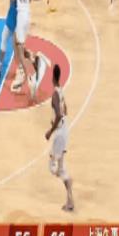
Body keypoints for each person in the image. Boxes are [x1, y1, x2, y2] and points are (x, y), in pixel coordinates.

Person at [10, 0, 40, 98]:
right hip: (27, 13)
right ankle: (33, 58)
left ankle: (29, 78)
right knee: (15, 43)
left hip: (21, 14)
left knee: (19, 51)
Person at [45, 64, 74, 212]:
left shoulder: (55, 95)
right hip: (64, 130)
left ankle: (67, 179)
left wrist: (50, 131)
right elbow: (66, 110)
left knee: (52, 167)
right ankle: (70, 202)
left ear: (52, 78)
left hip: (59, 132)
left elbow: (58, 115)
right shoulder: (61, 91)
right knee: (60, 167)